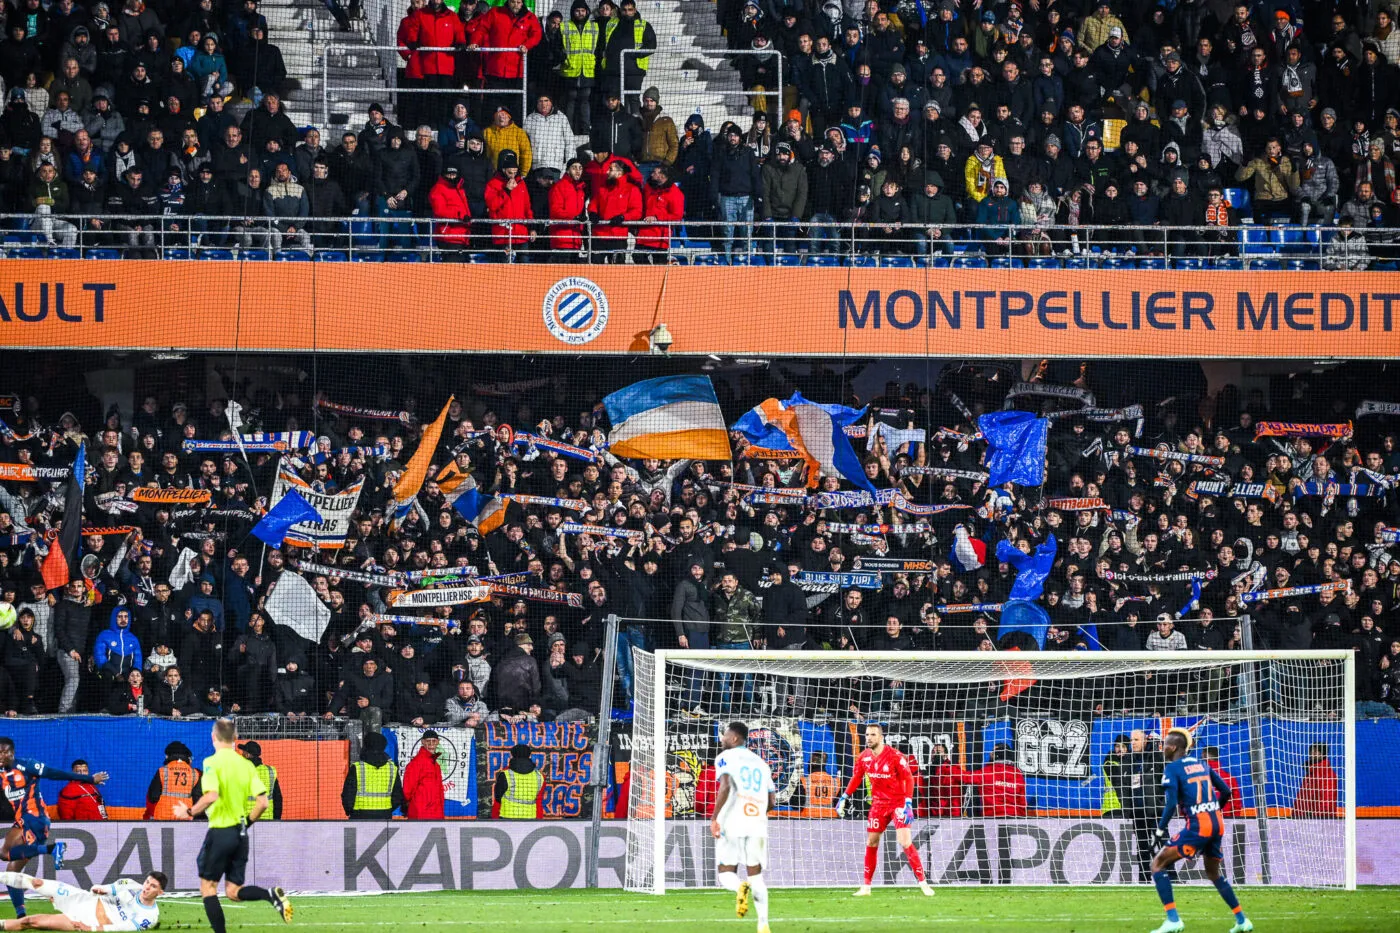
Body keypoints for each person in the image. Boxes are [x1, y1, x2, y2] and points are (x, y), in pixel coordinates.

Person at [173, 719, 292, 930]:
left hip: (220, 831)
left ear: (213, 737)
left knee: (208, 888)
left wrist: (189, 811)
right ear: (235, 739)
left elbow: (211, 795)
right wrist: (245, 824)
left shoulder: (211, 762)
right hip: (240, 832)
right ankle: (270, 894)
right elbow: (263, 802)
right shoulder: (246, 765)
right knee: (233, 892)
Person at [1148, 728, 1251, 933]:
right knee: (1214, 874)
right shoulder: (1202, 764)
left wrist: (1159, 832)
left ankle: (1173, 920)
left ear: (1174, 747)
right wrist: (1213, 810)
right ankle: (1242, 921)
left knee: (1157, 865)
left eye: (1165, 744)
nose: (1162, 747)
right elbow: (1226, 791)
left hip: (1198, 827)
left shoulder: (1173, 769)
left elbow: (1169, 806)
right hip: (1216, 824)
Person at [0, 738, 109, 917]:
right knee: (10, 867)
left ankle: (50, 849)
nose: (1, 756)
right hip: (21, 820)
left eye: (4, 752)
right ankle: (21, 915)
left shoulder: (27, 765)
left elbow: (55, 773)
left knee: (8, 862)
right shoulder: (2, 772)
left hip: (36, 819)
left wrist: (89, 778)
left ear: (12, 753)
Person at [835, 723, 933, 897]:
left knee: (904, 842)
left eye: (873, 735)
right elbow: (856, 778)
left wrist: (908, 803)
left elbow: (909, 779)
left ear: (881, 737)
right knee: (871, 842)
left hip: (898, 803)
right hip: (878, 805)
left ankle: (923, 883)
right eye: (867, 735)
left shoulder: (895, 756)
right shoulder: (864, 757)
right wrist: (844, 797)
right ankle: (866, 887)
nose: (869, 738)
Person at [710, 721, 775, 933]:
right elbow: (772, 801)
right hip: (756, 822)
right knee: (756, 875)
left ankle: (740, 887)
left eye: (725, 735)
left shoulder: (725, 757)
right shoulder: (762, 763)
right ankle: (763, 924)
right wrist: (757, 814)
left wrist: (714, 818)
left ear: (735, 738)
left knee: (725, 873)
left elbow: (726, 786)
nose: (722, 739)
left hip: (732, 821)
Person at [0, 870, 164, 931]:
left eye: (153, 886)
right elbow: (106, 889)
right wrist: (98, 889)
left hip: (86, 920)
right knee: (37, 883)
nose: (147, 887)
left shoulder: (149, 917)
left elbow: (123, 928)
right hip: (82, 900)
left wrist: (90, 928)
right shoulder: (129, 884)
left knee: (31, 921)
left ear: (160, 892)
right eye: (147, 882)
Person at [341, 731, 403, 820]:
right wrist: (388, 810)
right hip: (384, 815)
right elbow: (397, 795)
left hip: (359, 814)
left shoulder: (357, 767)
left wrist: (350, 811)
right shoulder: (392, 768)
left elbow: (348, 794)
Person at [146, 741, 201, 820]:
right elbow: (198, 799)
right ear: (187, 757)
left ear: (168, 756)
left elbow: (152, 797)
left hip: (163, 818)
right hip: (185, 817)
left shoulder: (162, 771)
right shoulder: (195, 773)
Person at [402, 729, 445, 819]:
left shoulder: (436, 765)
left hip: (436, 811)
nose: (431, 744)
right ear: (422, 742)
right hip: (420, 812)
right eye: (428, 741)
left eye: (434, 741)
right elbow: (407, 790)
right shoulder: (416, 763)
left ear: (438, 742)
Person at [492, 742, 543, 818]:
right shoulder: (539, 776)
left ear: (513, 755)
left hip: (508, 816)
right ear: (529, 755)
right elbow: (539, 796)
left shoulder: (506, 774)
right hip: (530, 817)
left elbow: (497, 797)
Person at [1293, 742, 1338, 815]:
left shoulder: (1326, 773)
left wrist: (1322, 816)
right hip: (1304, 816)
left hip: (1319, 817)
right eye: (1311, 752)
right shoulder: (1312, 772)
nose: (1311, 754)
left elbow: (1327, 797)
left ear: (1322, 754)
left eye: (1315, 752)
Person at [238, 742, 280, 821]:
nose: (241, 755)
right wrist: (276, 821)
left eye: (243, 753)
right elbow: (278, 799)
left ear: (247, 755)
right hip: (267, 821)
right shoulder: (270, 771)